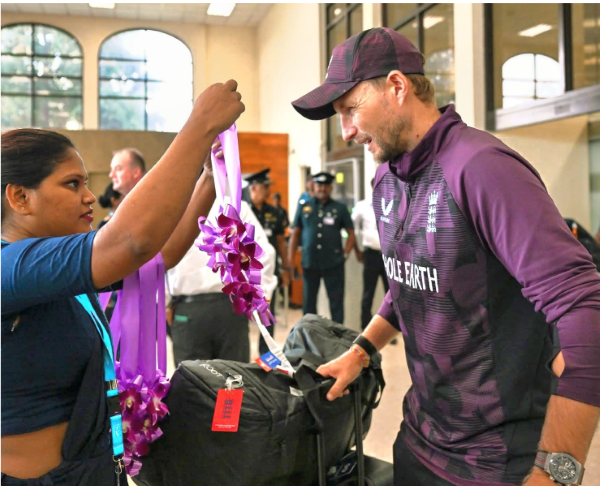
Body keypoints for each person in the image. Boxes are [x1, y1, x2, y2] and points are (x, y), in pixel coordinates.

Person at [292, 27, 600, 486]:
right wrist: (361, 351)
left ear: (397, 87)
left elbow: (584, 312)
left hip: (495, 458)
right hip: (420, 436)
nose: (347, 131)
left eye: (351, 109)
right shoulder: (386, 178)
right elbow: (410, 283)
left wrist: (556, 471)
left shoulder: (482, 167)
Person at [1, 79, 244, 485]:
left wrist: (206, 178)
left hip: (92, 468)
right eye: (72, 184)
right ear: (20, 198)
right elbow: (130, 243)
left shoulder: (57, 265)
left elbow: (156, 255)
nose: (89, 196)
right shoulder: (10, 266)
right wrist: (199, 124)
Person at [166, 198, 277, 366]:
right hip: (230, 308)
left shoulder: (172, 207)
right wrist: (259, 296)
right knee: (232, 376)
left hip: (188, 311)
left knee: (193, 378)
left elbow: (157, 262)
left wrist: (164, 303)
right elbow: (264, 253)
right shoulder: (234, 206)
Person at [288, 172, 357, 324]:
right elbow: (295, 233)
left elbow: (351, 234)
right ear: (314, 186)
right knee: (308, 303)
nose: (322, 189)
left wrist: (345, 255)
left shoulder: (340, 208)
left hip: (333, 263)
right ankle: (310, 333)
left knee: (336, 303)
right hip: (310, 262)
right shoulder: (304, 206)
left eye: (326, 186)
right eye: (319, 185)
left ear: (330, 188)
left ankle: (338, 335)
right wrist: (291, 260)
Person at [245, 169, 291, 355]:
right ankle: (242, 355)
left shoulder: (275, 213)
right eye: (265, 187)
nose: (268, 191)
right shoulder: (241, 211)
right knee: (240, 318)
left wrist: (286, 268)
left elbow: (280, 241)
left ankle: (267, 357)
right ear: (254, 188)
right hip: (244, 274)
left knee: (267, 314)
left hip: (268, 272)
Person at [352, 179, 389, 331]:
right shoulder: (362, 206)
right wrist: (356, 249)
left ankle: (387, 330)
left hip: (389, 256)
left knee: (391, 295)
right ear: (373, 186)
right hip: (371, 255)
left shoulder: (393, 203)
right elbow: (351, 228)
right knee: (368, 293)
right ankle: (366, 329)